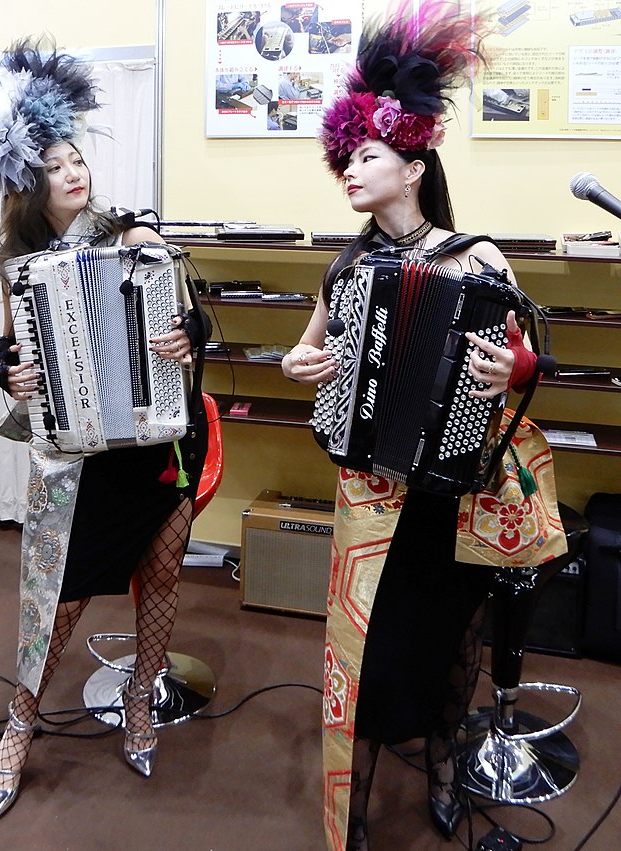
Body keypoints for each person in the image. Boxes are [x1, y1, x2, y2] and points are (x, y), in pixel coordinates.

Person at [281, 3, 566, 849]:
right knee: (368, 653)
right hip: (372, 494)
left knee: (450, 642)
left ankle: (445, 768)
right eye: (346, 159)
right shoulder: (346, 266)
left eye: (366, 156)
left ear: (412, 168)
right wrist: (300, 366)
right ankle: (355, 806)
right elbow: (304, 353)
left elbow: (527, 364)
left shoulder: (477, 258)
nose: (351, 170)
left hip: (453, 493)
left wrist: (515, 369)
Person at [0, 39, 209, 822]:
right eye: (56, 165)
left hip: (157, 447)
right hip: (79, 458)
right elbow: (5, 352)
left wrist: (186, 335)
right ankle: (20, 723)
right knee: (59, 597)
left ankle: (140, 701)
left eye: (77, 159)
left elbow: (193, 319)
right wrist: (6, 373)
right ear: (27, 183)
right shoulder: (21, 260)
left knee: (161, 580)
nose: (75, 172)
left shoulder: (134, 237)